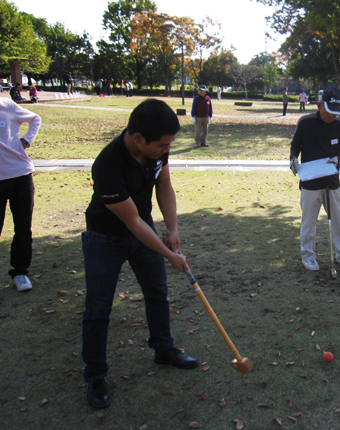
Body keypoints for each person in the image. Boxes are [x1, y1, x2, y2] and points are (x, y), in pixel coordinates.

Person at [81, 99, 199, 409]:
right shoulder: (107, 165)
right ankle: (95, 374)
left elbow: (164, 184)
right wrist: (168, 254)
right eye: (162, 145)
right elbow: (131, 221)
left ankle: (163, 349)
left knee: (158, 293)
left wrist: (172, 229)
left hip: (142, 228)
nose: (166, 149)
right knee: (98, 308)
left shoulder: (158, 150)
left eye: (169, 144)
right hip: (105, 238)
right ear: (138, 139)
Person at [289, 87, 340, 272]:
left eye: (336, 113)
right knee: (309, 221)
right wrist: (293, 160)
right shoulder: (305, 122)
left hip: (332, 180)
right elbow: (295, 146)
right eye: (328, 112)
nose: (332, 116)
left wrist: (338, 158)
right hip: (310, 181)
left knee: (338, 220)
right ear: (319, 106)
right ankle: (308, 256)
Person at [0, 98, 41, 292]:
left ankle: (20, 272)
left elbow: (35, 118)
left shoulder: (7, 106)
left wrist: (26, 140)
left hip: (20, 174)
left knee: (23, 228)